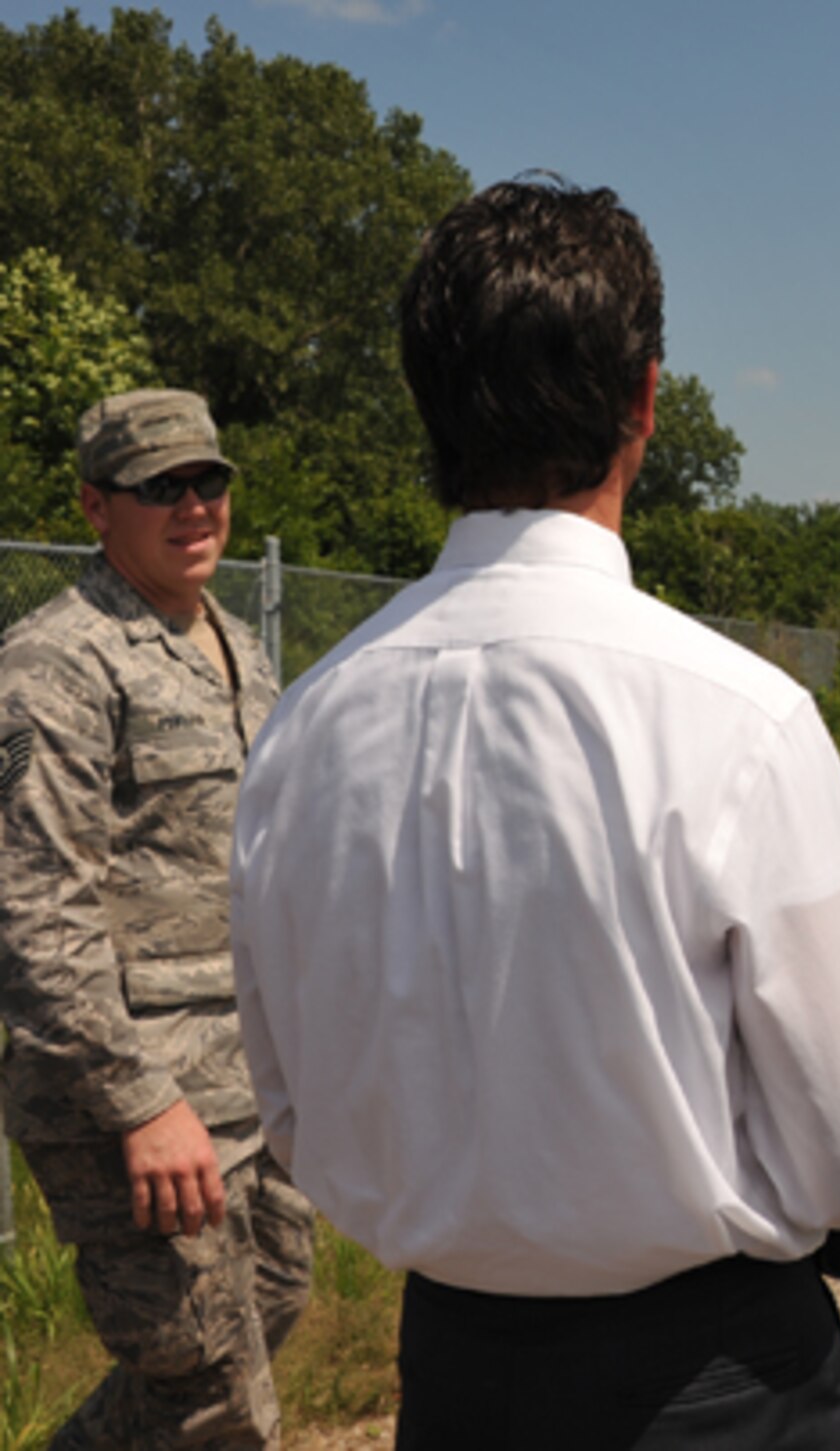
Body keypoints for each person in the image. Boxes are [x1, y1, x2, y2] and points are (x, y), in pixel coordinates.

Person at [229, 178, 840, 1451]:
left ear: (429, 408)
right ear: (646, 402)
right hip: (723, 1380)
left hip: (455, 1378)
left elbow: (290, 1103)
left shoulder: (303, 727)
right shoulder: (737, 716)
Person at [0, 389, 316, 1448]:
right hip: (129, 1091)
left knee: (273, 1299)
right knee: (216, 1391)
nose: (194, 507)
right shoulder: (57, 663)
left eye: (209, 480)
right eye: (159, 488)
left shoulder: (231, 641)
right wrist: (137, 1104)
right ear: (96, 506)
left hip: (241, 1078)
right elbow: (35, 904)